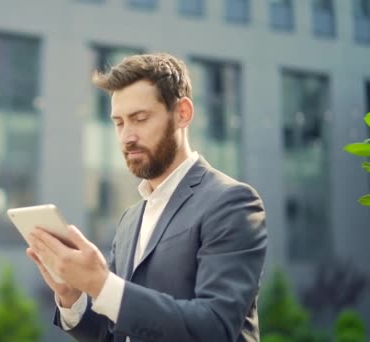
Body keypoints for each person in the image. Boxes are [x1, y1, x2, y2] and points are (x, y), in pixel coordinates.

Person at [26, 53, 268, 342]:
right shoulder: (130, 220)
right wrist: (73, 297)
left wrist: (102, 284)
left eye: (139, 119)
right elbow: (115, 332)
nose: (127, 136)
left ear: (182, 113)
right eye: (118, 123)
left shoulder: (232, 203)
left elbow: (215, 327)